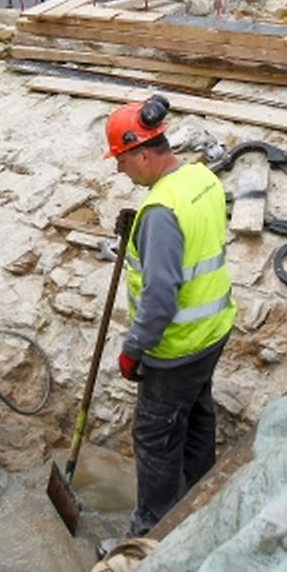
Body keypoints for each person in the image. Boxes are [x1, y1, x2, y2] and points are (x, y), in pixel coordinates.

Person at [102, 95, 237, 540]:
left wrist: (132, 349)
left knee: (156, 439)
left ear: (143, 154)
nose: (120, 170)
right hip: (212, 332)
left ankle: (151, 534)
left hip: (174, 348)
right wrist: (141, 226)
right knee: (197, 415)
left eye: (122, 161)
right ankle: (198, 501)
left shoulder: (160, 212)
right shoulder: (200, 179)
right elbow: (194, 241)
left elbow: (159, 298)